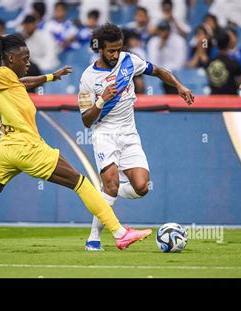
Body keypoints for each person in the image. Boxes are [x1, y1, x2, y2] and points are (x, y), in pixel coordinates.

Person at [0, 33, 152, 252]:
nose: (28, 62)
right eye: (25, 58)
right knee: (81, 183)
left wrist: (52, 77)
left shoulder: (10, 80)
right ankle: (120, 234)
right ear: (11, 59)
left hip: (7, 151)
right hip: (28, 148)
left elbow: (24, 83)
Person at [78, 23, 194, 251]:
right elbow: (86, 120)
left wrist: (179, 86)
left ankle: (102, 193)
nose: (115, 54)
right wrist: (101, 100)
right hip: (105, 134)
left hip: (130, 134)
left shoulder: (129, 61)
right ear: (100, 49)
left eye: (118, 49)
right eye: (111, 50)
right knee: (111, 184)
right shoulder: (88, 78)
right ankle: (93, 239)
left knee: (142, 187)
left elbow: (159, 71)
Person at [207, 31, 241, 95]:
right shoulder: (234, 63)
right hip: (231, 101)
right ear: (229, 44)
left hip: (213, 101)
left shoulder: (209, 63)